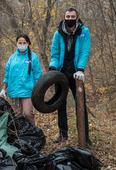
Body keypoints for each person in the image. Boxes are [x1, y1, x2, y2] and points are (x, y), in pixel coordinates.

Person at [49, 8, 91, 147]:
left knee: (81, 105)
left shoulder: (84, 32)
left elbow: (85, 52)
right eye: (68, 16)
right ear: (64, 17)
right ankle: (62, 134)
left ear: (77, 19)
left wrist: (80, 69)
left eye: (73, 16)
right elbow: (54, 54)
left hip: (76, 74)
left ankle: (85, 137)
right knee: (60, 104)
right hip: (61, 73)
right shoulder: (58, 33)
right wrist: (53, 68)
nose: (70, 18)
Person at [0, 34, 42, 126]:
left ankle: (33, 134)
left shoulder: (33, 57)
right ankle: (21, 137)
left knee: (28, 113)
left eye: (24, 43)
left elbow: (38, 75)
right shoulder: (12, 58)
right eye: (20, 43)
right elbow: (7, 74)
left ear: (28, 43)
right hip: (14, 92)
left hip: (28, 91)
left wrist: (37, 91)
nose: (22, 45)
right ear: (16, 44)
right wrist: (3, 89)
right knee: (17, 115)